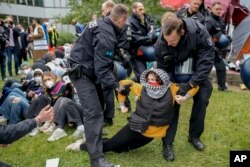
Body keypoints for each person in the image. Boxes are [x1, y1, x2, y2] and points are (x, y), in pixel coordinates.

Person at [65, 69, 198, 154]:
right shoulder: (142, 89)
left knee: (120, 149)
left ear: (162, 80)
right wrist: (122, 103)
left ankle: (93, 141)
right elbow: (124, 84)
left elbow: (194, 86)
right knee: (110, 146)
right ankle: (81, 146)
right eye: (149, 79)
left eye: (154, 79)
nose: (151, 82)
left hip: (149, 135)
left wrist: (185, 98)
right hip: (135, 127)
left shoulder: (173, 90)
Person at [67, 4, 129, 167]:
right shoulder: (106, 35)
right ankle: (97, 160)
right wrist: (117, 86)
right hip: (81, 72)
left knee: (99, 106)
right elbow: (102, 69)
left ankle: (94, 141)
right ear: (122, 20)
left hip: (89, 67)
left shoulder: (105, 23)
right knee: (94, 112)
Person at [155, 15, 214, 161]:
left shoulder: (199, 33)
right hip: (174, 74)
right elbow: (162, 69)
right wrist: (169, 83)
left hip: (196, 73)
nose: (169, 44)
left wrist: (190, 85)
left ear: (182, 32)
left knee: (202, 98)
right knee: (171, 102)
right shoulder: (162, 43)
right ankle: (167, 144)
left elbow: (206, 62)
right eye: (166, 40)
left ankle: (194, 136)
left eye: (172, 41)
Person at [205, 1, 229, 91]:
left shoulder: (221, 20)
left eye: (220, 9)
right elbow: (204, 35)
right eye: (217, 9)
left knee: (221, 68)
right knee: (205, 69)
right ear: (211, 9)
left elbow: (223, 34)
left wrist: (227, 39)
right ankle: (199, 85)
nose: (219, 11)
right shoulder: (209, 20)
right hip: (209, 50)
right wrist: (214, 39)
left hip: (218, 50)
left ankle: (222, 87)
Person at [128, 2, 153, 82]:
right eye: (140, 9)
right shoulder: (129, 22)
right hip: (135, 54)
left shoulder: (144, 20)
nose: (142, 11)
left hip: (144, 53)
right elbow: (134, 38)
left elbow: (150, 33)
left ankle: (133, 83)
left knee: (146, 76)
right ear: (134, 10)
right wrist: (149, 38)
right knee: (143, 76)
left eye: (143, 9)